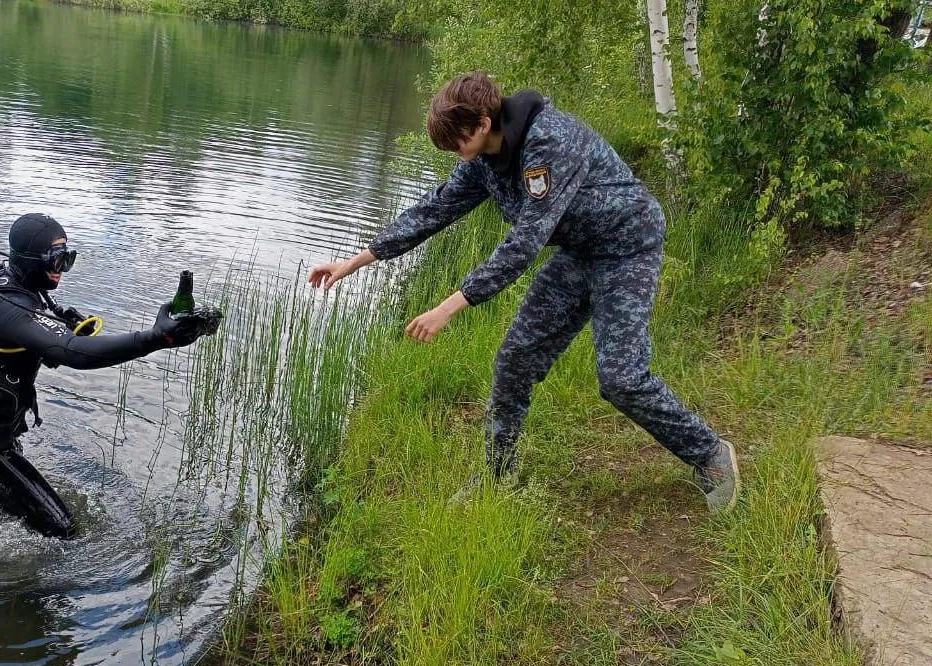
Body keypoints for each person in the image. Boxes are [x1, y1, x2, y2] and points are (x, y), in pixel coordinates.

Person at [308, 72, 740, 513]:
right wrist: (355, 261)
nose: (452, 150)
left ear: (481, 122)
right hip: (579, 251)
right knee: (515, 360)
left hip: (627, 248)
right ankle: (498, 475)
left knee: (621, 379)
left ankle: (710, 455)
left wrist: (450, 306)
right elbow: (433, 209)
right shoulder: (483, 161)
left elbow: (525, 244)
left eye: (455, 139)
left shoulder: (550, 142)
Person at [0, 213, 209, 538]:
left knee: (12, 507)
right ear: (28, 258)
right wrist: (158, 339)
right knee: (63, 531)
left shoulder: (9, 282)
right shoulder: (10, 308)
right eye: (56, 259)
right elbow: (71, 351)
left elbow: (60, 340)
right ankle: (14, 586)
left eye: (68, 259)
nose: (60, 269)